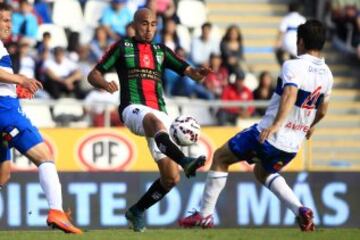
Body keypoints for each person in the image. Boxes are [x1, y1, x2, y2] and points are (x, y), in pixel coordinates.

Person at [179, 20, 333, 232]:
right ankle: (301, 211)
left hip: (268, 134)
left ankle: (204, 215)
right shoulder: (328, 74)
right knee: (263, 172)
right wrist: (310, 125)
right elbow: (323, 110)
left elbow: (290, 94)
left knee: (221, 157)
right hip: (292, 145)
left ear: (301, 42)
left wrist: (275, 125)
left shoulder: (293, 65)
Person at [87, 8, 211, 232]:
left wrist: (199, 73)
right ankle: (185, 161)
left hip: (160, 113)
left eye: (153, 24)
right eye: (144, 24)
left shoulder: (161, 50)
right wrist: (105, 84)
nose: (149, 29)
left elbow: (188, 70)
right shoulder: (122, 47)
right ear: (134, 24)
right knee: (153, 121)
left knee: (171, 178)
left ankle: (137, 210)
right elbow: (93, 74)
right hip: (132, 108)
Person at [0, 3, 81, 234]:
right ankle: (57, 212)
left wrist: (13, 86)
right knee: (45, 156)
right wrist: (19, 80)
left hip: (5, 104)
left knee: (2, 174)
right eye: (5, 20)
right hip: (5, 111)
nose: (9, 25)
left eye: (9, 20)